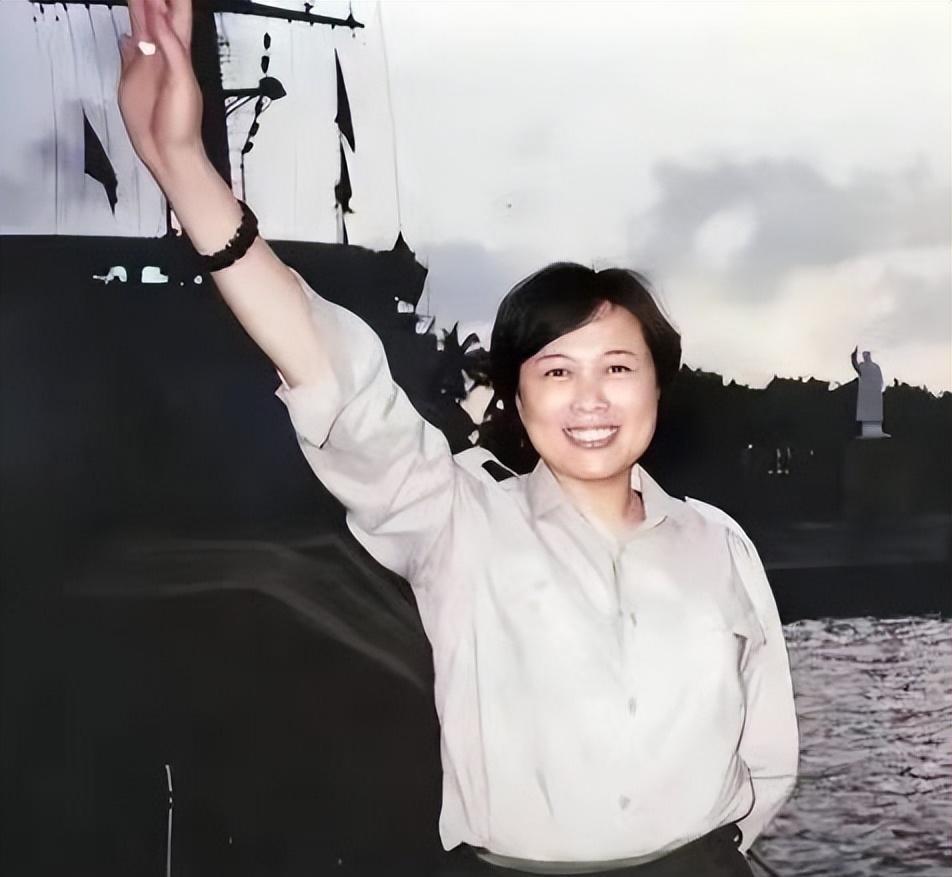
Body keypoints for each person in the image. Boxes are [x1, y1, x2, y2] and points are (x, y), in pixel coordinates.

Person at [117, 2, 799, 874]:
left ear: (658, 384)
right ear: (516, 393)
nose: (590, 398)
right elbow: (333, 371)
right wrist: (182, 165)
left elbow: (766, 751)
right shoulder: (458, 519)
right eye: (556, 370)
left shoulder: (720, 544)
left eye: (618, 367)